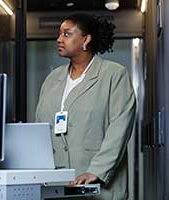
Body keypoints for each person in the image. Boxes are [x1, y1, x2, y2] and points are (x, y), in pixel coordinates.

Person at [35, 13, 136, 200]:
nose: (59, 39)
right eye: (59, 34)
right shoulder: (52, 79)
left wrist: (95, 172)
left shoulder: (114, 75)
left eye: (66, 34)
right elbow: (40, 128)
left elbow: (119, 129)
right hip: (55, 184)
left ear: (85, 40)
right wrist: (37, 171)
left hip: (95, 182)